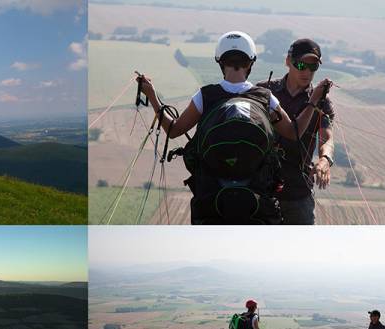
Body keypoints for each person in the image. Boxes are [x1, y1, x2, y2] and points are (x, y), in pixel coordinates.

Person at [136, 31, 332, 224]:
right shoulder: (264, 97)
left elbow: (173, 130)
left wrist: (152, 96)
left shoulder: (205, 96)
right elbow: (293, 132)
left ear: (220, 61)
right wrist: (314, 100)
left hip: (213, 198)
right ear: (251, 62)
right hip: (257, 198)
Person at [257, 38, 336, 224]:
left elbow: (327, 137)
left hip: (297, 193)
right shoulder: (263, 91)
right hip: (260, 190)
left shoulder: (322, 101)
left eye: (313, 66)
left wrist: (325, 159)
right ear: (287, 61)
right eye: (301, 64)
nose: (306, 71)